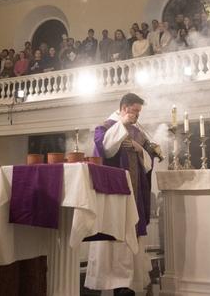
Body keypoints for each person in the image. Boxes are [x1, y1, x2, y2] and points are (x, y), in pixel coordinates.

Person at [86, 93, 155, 295]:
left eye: (139, 112)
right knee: (115, 236)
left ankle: (129, 283)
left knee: (132, 233)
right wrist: (122, 126)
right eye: (135, 111)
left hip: (134, 194)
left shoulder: (137, 132)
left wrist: (139, 149)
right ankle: (113, 282)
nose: (137, 116)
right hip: (115, 196)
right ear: (124, 108)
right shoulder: (105, 127)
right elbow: (104, 150)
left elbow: (149, 162)